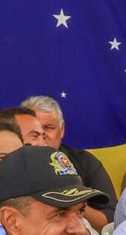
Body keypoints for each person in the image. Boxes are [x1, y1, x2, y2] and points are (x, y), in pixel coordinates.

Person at [22, 95, 117, 225]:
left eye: (48, 127)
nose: (41, 134)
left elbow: (110, 220)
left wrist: (72, 200)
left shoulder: (84, 162)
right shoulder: (11, 165)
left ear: (62, 130)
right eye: (34, 131)